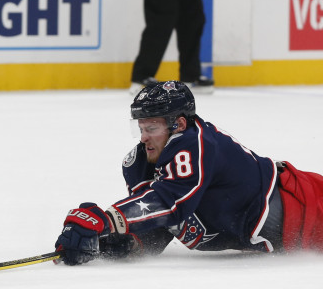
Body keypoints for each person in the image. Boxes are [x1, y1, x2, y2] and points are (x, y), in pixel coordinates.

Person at [53, 80, 323, 266]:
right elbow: (163, 223)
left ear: (179, 124)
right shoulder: (141, 161)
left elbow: (171, 201)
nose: (144, 138)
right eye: (141, 128)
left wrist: (107, 219)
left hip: (308, 204)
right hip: (294, 223)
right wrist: (128, 242)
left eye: (153, 128)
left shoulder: (195, 143)